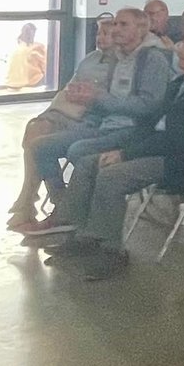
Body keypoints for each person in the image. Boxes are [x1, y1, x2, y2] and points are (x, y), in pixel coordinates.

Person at [36, 33, 184, 280]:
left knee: (112, 176)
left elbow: (178, 140)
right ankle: (81, 235)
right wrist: (123, 147)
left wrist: (125, 153)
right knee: (88, 163)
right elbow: (151, 124)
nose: (181, 50)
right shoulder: (181, 83)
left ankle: (111, 251)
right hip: (160, 148)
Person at [22, 7, 172, 226]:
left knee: (79, 150)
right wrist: (87, 101)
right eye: (115, 24)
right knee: (40, 146)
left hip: (133, 130)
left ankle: (72, 214)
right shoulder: (116, 58)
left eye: (123, 24)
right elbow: (104, 101)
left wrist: (99, 98)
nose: (116, 29)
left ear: (141, 29)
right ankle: (62, 204)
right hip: (103, 125)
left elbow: (148, 106)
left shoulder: (152, 59)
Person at [8, 16, 118, 230]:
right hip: (68, 110)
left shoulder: (121, 64)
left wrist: (89, 97)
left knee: (37, 144)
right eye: (98, 33)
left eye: (106, 34)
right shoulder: (91, 59)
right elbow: (71, 86)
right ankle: (49, 199)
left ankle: (32, 202)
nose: (100, 38)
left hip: (89, 118)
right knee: (34, 129)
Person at [5, 22, 47, 89]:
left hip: (11, 82)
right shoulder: (37, 47)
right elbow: (45, 66)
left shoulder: (15, 47)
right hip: (31, 82)